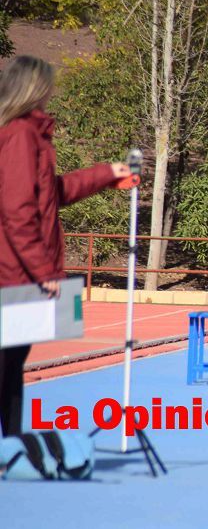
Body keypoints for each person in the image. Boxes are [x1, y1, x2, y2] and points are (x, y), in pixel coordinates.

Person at [0, 55, 130, 437]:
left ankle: (12, 446)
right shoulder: (21, 134)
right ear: (34, 87)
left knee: (12, 363)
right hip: (15, 274)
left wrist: (107, 173)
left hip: (19, 272)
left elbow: (50, 194)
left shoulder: (29, 133)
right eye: (48, 85)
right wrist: (45, 273)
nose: (52, 92)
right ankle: (10, 447)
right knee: (7, 364)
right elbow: (17, 211)